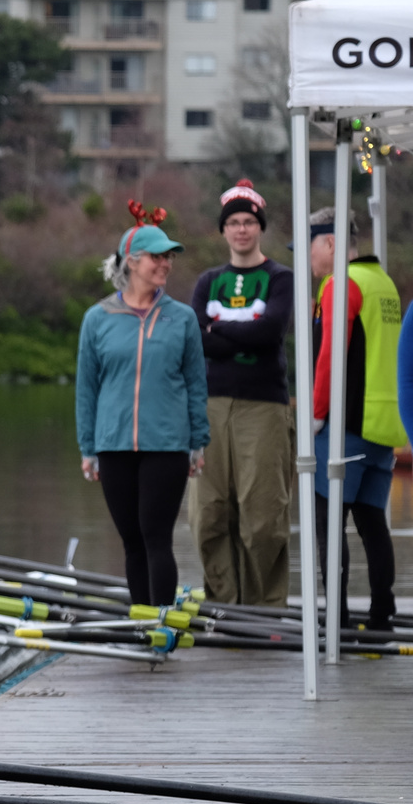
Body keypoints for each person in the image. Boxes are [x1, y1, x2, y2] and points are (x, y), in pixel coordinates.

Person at [76, 200, 210, 607]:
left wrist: (198, 441)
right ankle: (141, 624)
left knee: (156, 537)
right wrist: (87, 447)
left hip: (167, 445)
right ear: (132, 262)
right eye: (158, 257)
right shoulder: (97, 318)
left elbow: (195, 382)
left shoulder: (182, 318)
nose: (166, 264)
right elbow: (87, 388)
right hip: (113, 444)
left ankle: (161, 626)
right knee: (132, 541)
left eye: (169, 258)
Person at [189, 179, 295, 607]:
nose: (241, 230)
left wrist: (220, 330)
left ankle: (264, 608)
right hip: (211, 405)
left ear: (260, 227)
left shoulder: (279, 278)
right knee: (209, 513)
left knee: (262, 515)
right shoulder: (208, 281)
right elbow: (195, 338)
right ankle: (223, 603)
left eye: (248, 221)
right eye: (233, 222)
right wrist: (239, 334)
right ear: (223, 230)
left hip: (263, 406)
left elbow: (270, 334)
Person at [307, 207, 402, 630]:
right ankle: (382, 611)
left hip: (346, 424)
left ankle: (338, 620)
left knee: (328, 526)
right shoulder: (384, 283)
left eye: (308, 247)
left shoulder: (340, 285)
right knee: (371, 523)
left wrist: (315, 414)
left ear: (329, 243)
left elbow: (331, 356)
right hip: (384, 425)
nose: (305, 258)